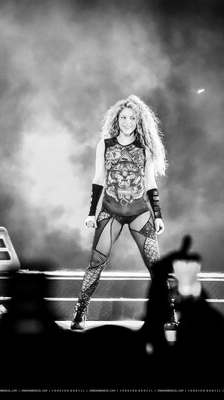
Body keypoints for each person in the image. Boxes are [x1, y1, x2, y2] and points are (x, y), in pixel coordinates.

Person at [71, 94, 168, 330]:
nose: (127, 122)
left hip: (139, 212)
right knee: (96, 263)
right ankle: (80, 312)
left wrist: (158, 216)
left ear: (138, 121)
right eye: (123, 117)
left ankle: (169, 313)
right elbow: (98, 179)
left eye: (132, 118)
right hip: (110, 211)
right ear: (117, 119)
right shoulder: (105, 145)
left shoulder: (144, 148)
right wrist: (91, 213)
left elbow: (150, 183)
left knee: (156, 267)